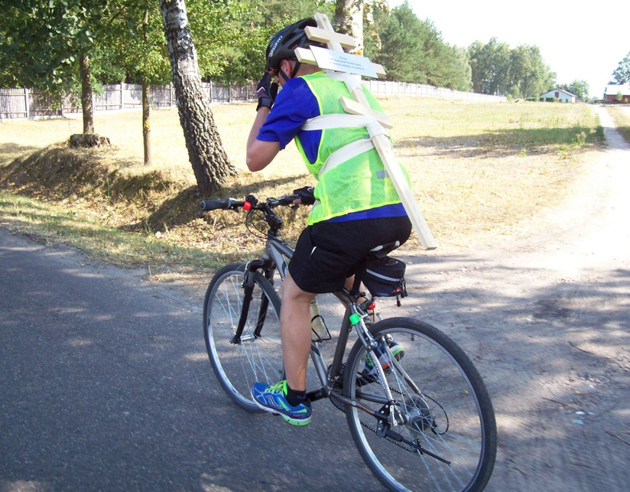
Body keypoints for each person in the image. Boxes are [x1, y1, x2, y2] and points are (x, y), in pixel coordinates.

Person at [246, 18, 412, 426]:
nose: (275, 81)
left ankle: (294, 396)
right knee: (343, 269)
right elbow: (352, 150)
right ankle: (380, 349)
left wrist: (265, 102)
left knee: (296, 293)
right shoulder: (353, 88)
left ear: (286, 66)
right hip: (397, 209)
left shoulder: (300, 90)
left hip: (349, 215)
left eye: (274, 74)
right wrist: (316, 189)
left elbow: (254, 158)